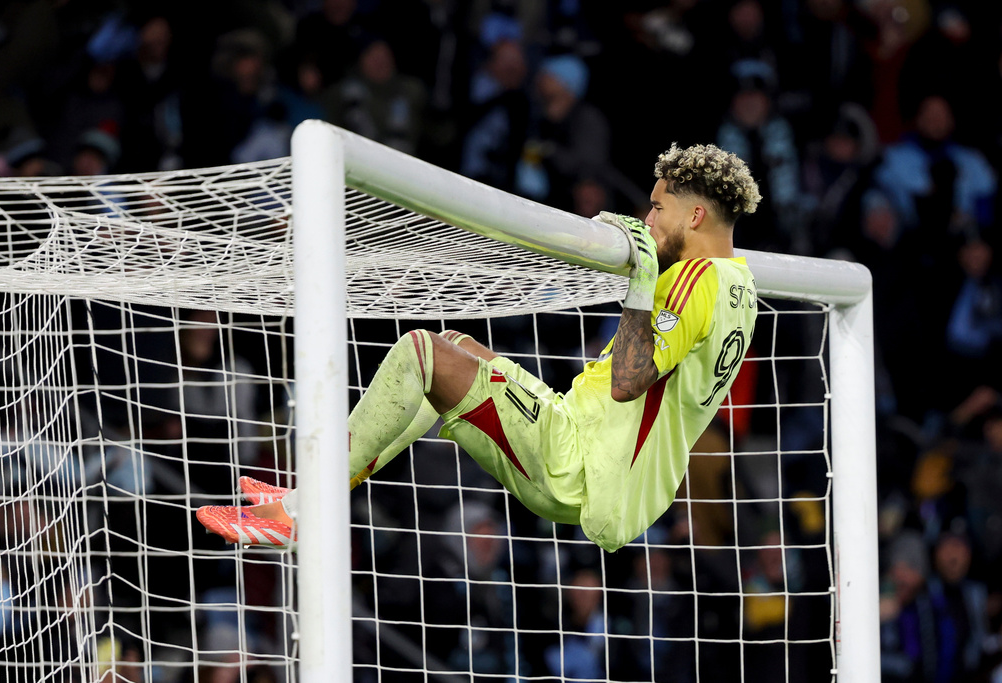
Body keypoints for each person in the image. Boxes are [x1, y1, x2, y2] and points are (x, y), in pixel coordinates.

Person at [196, 143, 761, 553]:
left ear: (695, 215)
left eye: (658, 208)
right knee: (453, 345)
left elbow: (627, 382)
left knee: (419, 351)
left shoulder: (696, 277)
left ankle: (302, 514)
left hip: (582, 463)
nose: (647, 219)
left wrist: (641, 279)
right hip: (597, 454)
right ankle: (318, 490)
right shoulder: (743, 289)